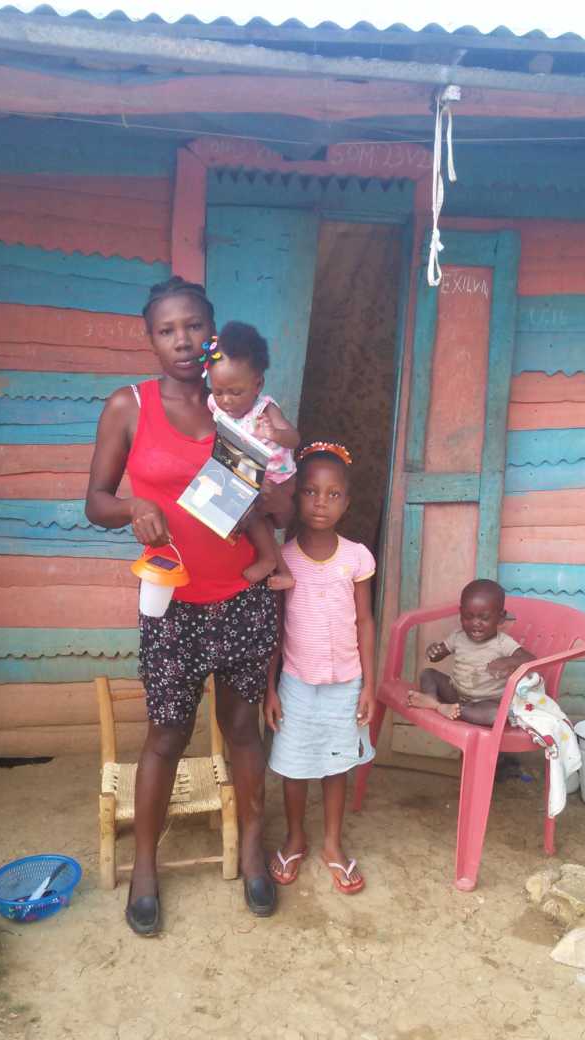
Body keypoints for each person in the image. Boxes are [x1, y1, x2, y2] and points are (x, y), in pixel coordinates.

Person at [85, 277, 280, 936]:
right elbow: (96, 502)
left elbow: (278, 494)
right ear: (150, 337)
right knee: (168, 733)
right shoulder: (129, 407)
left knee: (244, 727)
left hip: (243, 597)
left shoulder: (239, 405)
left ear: (212, 330)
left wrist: (267, 489)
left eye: (194, 326)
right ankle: (145, 865)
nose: (183, 340)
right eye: (167, 329)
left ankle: (252, 851)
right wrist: (135, 507)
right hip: (174, 603)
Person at [263, 444, 375, 895]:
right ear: (295, 498)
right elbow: (273, 630)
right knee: (293, 766)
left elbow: (365, 621)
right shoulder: (283, 557)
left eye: (332, 494)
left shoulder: (357, 557)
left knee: (335, 765)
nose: (320, 503)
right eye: (310, 491)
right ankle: (296, 836)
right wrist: (270, 688)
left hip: (346, 683)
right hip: (295, 683)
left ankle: (331, 843)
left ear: (346, 502)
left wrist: (368, 684)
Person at [205, 321, 299, 590]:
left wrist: (275, 433)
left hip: (279, 477)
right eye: (219, 391)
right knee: (252, 517)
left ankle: (270, 560)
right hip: (249, 472)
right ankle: (281, 569)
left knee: (254, 515)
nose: (226, 400)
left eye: (236, 392)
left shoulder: (264, 410)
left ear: (258, 384)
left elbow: (294, 438)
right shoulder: (215, 404)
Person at [408, 578, 534, 726]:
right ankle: (431, 699)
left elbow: (529, 659)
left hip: (486, 701)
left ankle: (444, 708)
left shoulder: (503, 643)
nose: (475, 623)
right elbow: (439, 654)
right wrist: (434, 651)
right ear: (461, 613)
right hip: (456, 693)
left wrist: (507, 661)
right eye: (468, 616)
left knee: (495, 715)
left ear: (500, 618)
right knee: (428, 674)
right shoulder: (458, 636)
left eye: (484, 618)